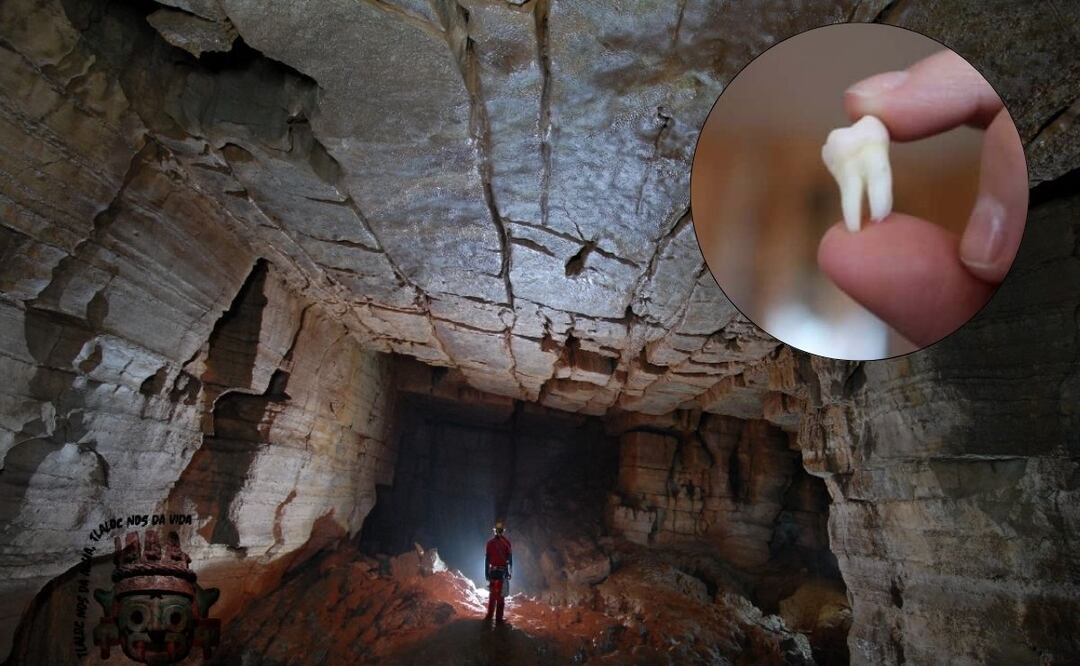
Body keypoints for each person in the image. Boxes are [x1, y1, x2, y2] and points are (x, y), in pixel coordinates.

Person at [817, 50, 1028, 348]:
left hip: (860, 142)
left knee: (867, 185)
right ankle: (869, 214)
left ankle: (869, 214)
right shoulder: (850, 144)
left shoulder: (854, 141)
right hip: (858, 143)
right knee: (865, 186)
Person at [484, 520, 512, 623]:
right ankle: (499, 619)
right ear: (502, 531)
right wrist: (509, 572)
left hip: (492, 571)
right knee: (501, 596)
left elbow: (487, 559)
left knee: (492, 595)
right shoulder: (507, 543)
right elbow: (510, 560)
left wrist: (486, 573)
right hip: (502, 572)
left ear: (495, 531)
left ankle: (489, 616)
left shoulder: (490, 543)